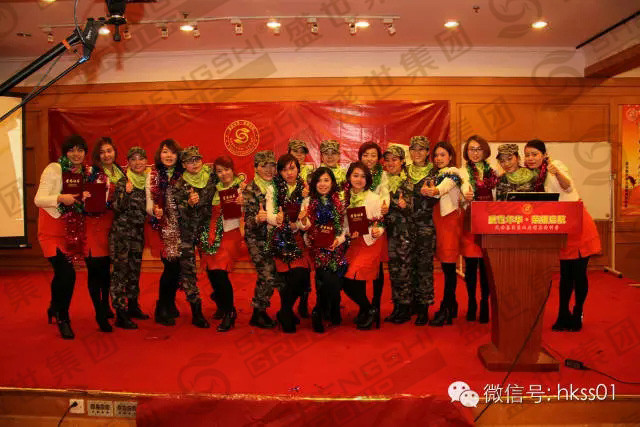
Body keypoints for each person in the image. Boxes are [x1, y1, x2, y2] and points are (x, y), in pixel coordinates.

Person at [524, 139, 601, 331]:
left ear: (544, 155)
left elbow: (567, 186)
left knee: (579, 273)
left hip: (578, 224)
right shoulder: (533, 176)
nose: (530, 158)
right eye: (527, 155)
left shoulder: (555, 166)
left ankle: (578, 311)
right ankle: (563, 314)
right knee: (566, 274)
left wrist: (557, 172)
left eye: (534, 154)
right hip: (561, 226)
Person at [35, 135, 91, 339]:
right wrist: (60, 197)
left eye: (80, 150)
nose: (76, 154)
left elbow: (79, 202)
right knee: (68, 273)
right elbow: (38, 199)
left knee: (61, 274)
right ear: (65, 152)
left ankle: (54, 307)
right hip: (50, 230)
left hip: (69, 232)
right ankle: (63, 317)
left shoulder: (84, 173)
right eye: (71, 150)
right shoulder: (54, 169)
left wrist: (85, 197)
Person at [298, 167, 348, 332]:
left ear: (332, 182)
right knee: (326, 278)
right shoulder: (308, 201)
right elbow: (305, 227)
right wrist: (303, 220)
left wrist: (338, 240)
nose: (323, 184)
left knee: (334, 279)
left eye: (326, 180)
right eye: (319, 180)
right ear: (314, 183)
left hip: (337, 246)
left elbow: (345, 227)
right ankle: (319, 310)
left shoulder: (340, 201)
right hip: (318, 247)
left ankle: (332, 307)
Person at [172, 146, 217, 329]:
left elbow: (227, 183)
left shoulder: (211, 176)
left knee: (214, 266)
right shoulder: (179, 184)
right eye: (190, 161)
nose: (195, 164)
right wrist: (188, 204)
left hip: (207, 230)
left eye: (197, 159)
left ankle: (220, 301)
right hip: (186, 233)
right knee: (188, 272)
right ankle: (196, 311)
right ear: (183, 165)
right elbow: (177, 211)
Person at [200, 156, 247, 332]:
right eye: (219, 171)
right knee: (211, 273)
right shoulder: (212, 188)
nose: (224, 174)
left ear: (233, 170)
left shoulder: (242, 187)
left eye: (226, 169)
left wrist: (243, 203)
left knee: (220, 272)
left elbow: (250, 211)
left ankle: (229, 312)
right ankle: (221, 303)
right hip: (211, 235)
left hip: (230, 234)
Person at [266, 154, 311, 333]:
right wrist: (279, 220)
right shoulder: (273, 188)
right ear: (279, 172)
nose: (289, 173)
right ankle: (287, 312)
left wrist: (297, 224)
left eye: (292, 168)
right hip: (279, 239)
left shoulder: (305, 189)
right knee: (286, 279)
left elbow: (306, 221)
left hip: (299, 239)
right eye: (284, 170)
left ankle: (284, 311)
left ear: (298, 169)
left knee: (301, 276)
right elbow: (269, 215)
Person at [84, 137, 124, 332]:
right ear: (97, 156)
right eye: (102, 152)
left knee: (107, 271)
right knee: (95, 271)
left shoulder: (121, 172)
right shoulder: (90, 173)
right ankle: (99, 313)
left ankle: (106, 305)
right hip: (94, 226)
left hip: (112, 227)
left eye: (109, 150)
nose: (107, 155)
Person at [423, 141, 464, 327]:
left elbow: (445, 187)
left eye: (443, 155)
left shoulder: (453, 172)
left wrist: (434, 190)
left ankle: (446, 308)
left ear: (450, 157)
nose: (439, 158)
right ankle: (452, 305)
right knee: (447, 268)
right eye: (436, 155)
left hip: (449, 223)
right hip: (439, 223)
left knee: (448, 268)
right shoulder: (435, 174)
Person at [110, 147, 150, 329]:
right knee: (120, 274)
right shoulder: (123, 181)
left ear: (146, 161)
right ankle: (120, 312)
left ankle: (133, 306)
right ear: (128, 163)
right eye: (133, 159)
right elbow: (116, 207)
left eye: (141, 158)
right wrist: (125, 193)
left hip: (138, 235)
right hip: (122, 236)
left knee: (134, 272)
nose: (138, 162)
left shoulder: (148, 182)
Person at [459, 135, 499, 323]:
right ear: (466, 152)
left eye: (478, 149)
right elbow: (458, 194)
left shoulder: (493, 171)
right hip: (470, 223)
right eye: (471, 149)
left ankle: (484, 302)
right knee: (471, 267)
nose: (475, 153)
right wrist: (464, 196)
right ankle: (472, 301)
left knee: (486, 268)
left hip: (489, 224)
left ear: (485, 151)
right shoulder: (462, 172)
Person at [342, 161, 385, 330]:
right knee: (345, 279)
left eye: (363, 176)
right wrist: (348, 233)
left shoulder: (374, 198)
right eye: (355, 175)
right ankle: (368, 309)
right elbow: (343, 225)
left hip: (370, 242)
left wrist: (377, 231)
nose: (359, 179)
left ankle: (368, 309)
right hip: (353, 242)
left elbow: (380, 222)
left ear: (367, 179)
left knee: (353, 275)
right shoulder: (344, 197)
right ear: (349, 177)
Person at [146, 139, 184, 326]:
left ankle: (170, 302)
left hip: (181, 229)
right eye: (165, 152)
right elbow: (148, 203)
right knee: (170, 268)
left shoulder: (183, 174)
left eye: (173, 152)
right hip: (162, 229)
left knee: (177, 269)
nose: (169, 156)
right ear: (159, 155)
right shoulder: (153, 175)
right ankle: (161, 307)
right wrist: (155, 210)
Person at [242, 150, 279, 329]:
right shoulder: (250, 190)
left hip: (276, 238)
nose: (269, 170)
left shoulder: (279, 186)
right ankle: (258, 312)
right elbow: (248, 223)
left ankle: (285, 310)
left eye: (272, 165)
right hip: (257, 239)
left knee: (278, 276)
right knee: (267, 275)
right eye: (264, 166)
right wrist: (257, 218)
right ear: (256, 168)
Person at [382, 145, 417, 324]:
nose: (390, 163)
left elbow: (413, 207)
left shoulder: (408, 180)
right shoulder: (383, 180)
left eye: (394, 160)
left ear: (402, 161)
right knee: (394, 271)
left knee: (404, 271)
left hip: (404, 233)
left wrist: (403, 205)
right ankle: (397, 306)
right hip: (390, 233)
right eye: (387, 160)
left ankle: (405, 308)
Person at [407, 136, 437, 324]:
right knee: (408, 266)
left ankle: (424, 308)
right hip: (405, 227)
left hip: (426, 227)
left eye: (421, 149)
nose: (417, 153)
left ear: (427, 152)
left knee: (424, 268)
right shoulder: (404, 171)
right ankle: (411, 304)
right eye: (414, 149)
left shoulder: (436, 172)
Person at [358, 141, 390, 318]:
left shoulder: (383, 175)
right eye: (365, 155)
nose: (369, 159)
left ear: (378, 158)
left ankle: (376, 304)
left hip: (376, 222)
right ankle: (364, 306)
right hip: (358, 223)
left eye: (373, 155)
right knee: (359, 265)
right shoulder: (356, 173)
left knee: (377, 266)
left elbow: (385, 194)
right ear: (360, 157)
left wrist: (385, 207)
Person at [288, 139, 314, 318]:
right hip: (287, 229)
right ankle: (287, 305)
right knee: (291, 271)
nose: (299, 155)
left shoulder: (311, 174)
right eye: (295, 151)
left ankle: (304, 300)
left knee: (306, 268)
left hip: (307, 227)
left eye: (302, 152)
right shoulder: (283, 173)